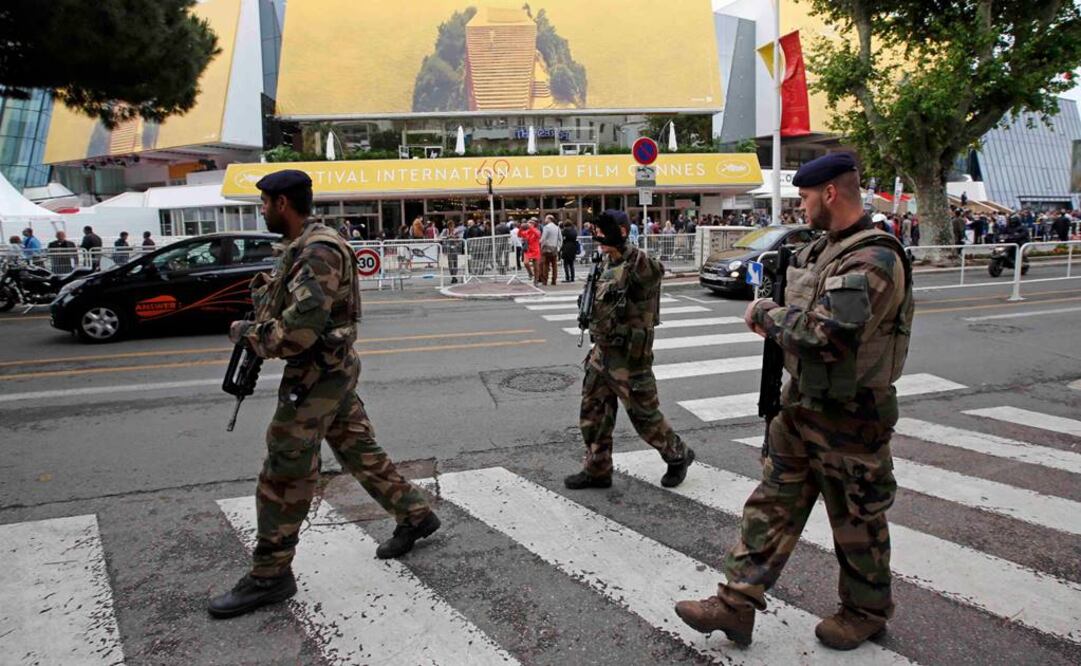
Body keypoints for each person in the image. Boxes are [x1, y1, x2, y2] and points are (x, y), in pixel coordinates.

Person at [675, 152, 912, 651]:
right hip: (801, 405)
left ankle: (866, 612)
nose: (801, 207)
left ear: (830, 193)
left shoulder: (873, 257)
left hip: (850, 418)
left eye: (804, 197)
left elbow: (830, 334)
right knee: (770, 504)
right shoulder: (826, 250)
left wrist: (765, 312)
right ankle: (735, 604)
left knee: (856, 519)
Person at [210, 170, 439, 618]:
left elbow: (297, 334)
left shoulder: (317, 252)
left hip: (317, 376)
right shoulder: (305, 246)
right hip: (329, 371)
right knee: (359, 451)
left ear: (281, 204)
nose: (261, 212)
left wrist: (247, 333)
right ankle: (415, 514)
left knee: (284, 471)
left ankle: (270, 574)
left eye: (264, 204)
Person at [565, 209, 694, 491]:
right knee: (593, 413)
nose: (599, 238)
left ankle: (678, 454)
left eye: (606, 232)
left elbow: (653, 271)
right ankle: (597, 469)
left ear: (622, 233)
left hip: (629, 358)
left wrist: (622, 243)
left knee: (644, 416)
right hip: (602, 353)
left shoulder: (639, 265)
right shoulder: (606, 263)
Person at [539, 214, 560, 286]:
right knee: (554, 265)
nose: (545, 220)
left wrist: (541, 246)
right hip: (554, 247)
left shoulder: (546, 227)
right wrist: (558, 247)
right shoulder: (557, 227)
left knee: (546, 264)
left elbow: (543, 238)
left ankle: (545, 280)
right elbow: (560, 239)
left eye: (546, 218)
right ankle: (554, 280)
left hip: (547, 247)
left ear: (549, 219)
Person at [520, 218, 541, 282]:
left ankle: (536, 280)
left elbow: (538, 235)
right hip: (528, 249)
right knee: (526, 263)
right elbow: (519, 234)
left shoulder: (537, 231)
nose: (529, 224)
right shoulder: (527, 231)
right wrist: (521, 227)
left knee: (536, 267)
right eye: (529, 223)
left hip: (535, 250)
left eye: (531, 223)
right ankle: (530, 273)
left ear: (534, 224)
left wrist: (531, 228)